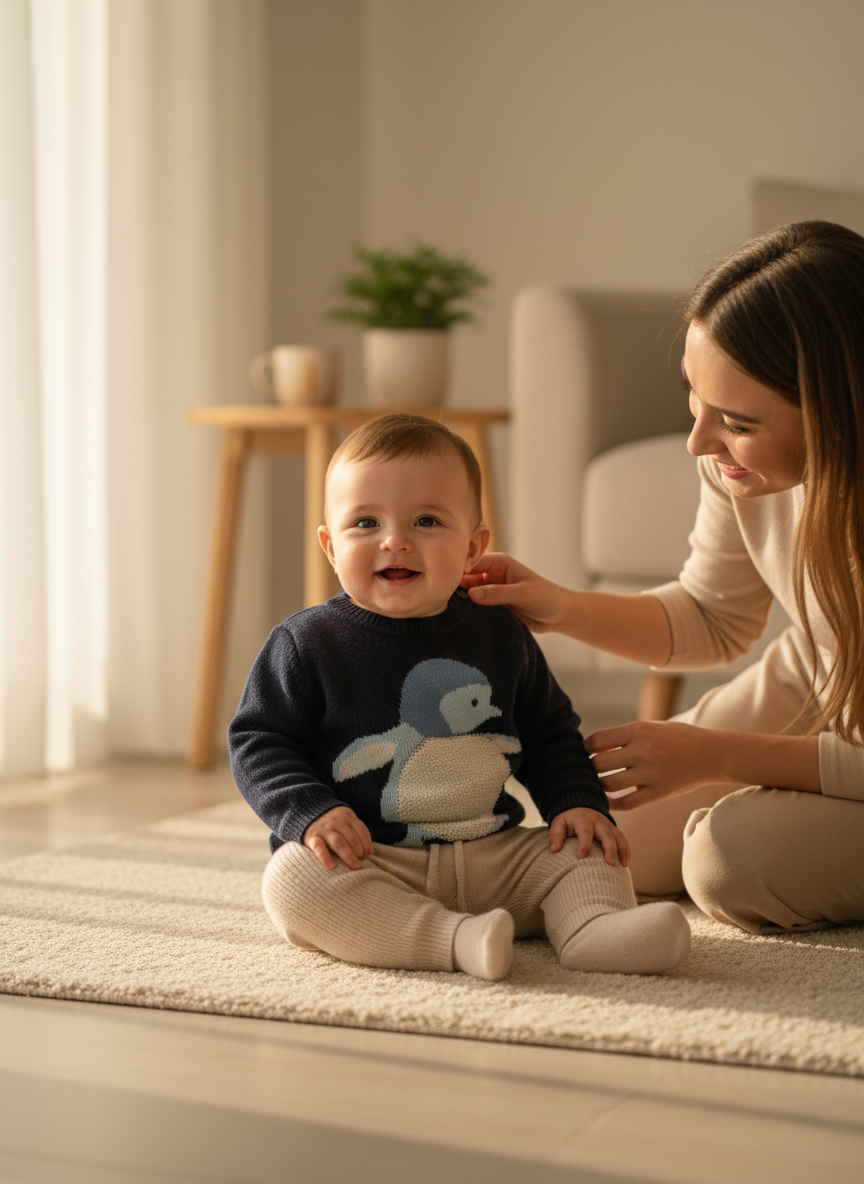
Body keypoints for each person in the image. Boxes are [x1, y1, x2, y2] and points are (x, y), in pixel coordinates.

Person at [464, 220, 864, 936]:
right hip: (818, 681)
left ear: (841, 412)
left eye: (736, 422)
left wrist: (719, 756)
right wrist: (554, 607)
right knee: (597, 841)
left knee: (727, 860)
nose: (700, 443)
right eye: (694, 403)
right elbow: (712, 616)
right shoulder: (732, 463)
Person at [229, 414, 691, 981]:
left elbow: (547, 732)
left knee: (591, 850)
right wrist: (309, 813)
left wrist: (576, 805)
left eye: (426, 520)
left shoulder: (499, 633)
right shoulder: (306, 644)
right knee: (294, 881)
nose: (394, 539)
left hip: (494, 856)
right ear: (330, 545)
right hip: (374, 860)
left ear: (473, 547)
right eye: (366, 522)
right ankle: (455, 941)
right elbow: (259, 741)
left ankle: (594, 931)